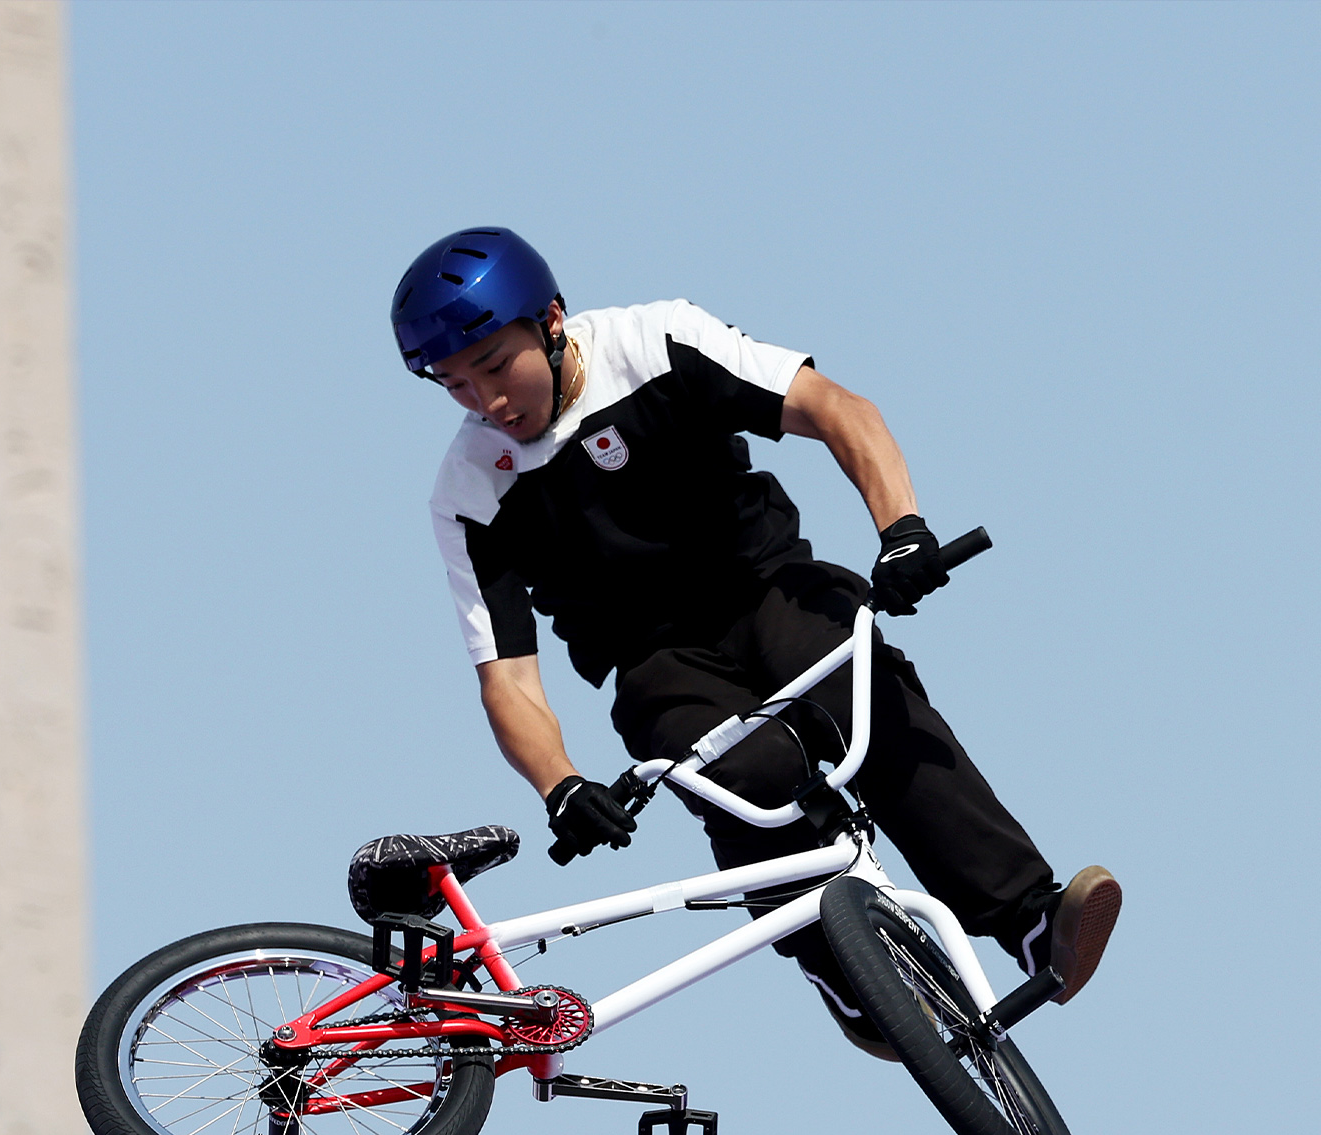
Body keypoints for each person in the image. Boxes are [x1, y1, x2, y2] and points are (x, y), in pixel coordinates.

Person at [396, 227, 1121, 1059]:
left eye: (495, 366)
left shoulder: (655, 341)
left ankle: (1032, 920)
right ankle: (855, 985)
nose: (486, 402)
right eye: (453, 385)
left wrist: (903, 530)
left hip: (768, 585)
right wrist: (559, 786)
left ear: (551, 320)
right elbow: (508, 680)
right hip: (655, 659)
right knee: (743, 780)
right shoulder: (469, 494)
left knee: (863, 699)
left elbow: (835, 409)